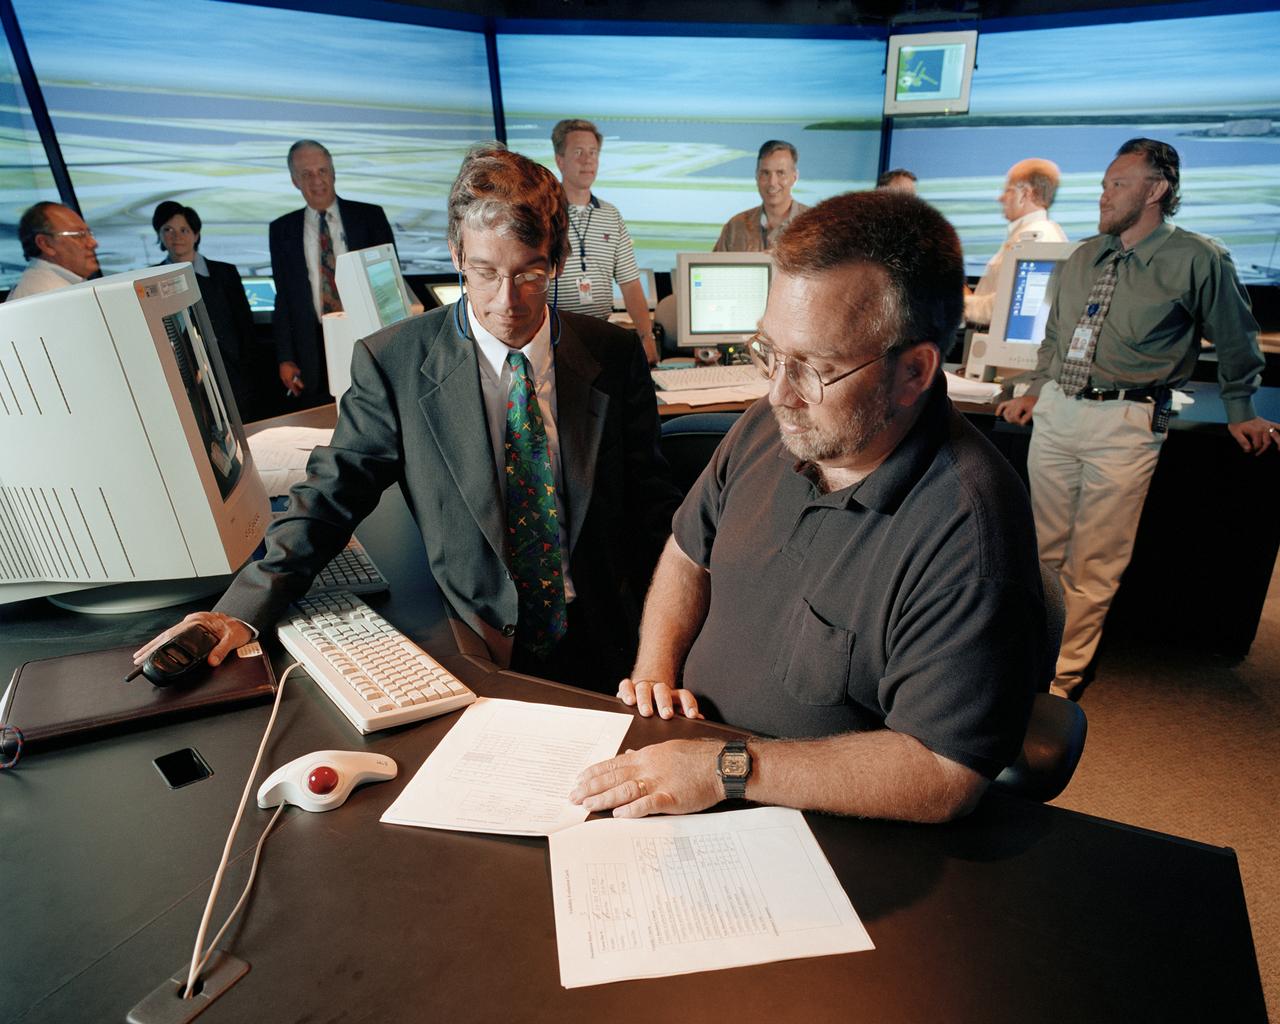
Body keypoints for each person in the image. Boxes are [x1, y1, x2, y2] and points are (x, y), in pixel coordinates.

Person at [571, 190, 1048, 824]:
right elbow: (688, 552)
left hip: (803, 822)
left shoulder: (969, 533)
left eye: (814, 367)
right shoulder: (771, 427)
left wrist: (725, 769)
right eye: (770, 352)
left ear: (914, 372)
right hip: (684, 766)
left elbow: (943, 773)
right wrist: (655, 675)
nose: (778, 393)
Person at [136, 148, 681, 692]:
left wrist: (671, 644)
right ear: (456, 254)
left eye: (530, 274)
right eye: (485, 273)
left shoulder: (613, 355)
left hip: (612, 641)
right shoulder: (395, 362)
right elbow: (331, 493)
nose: (507, 301)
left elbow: (653, 507)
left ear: (556, 260)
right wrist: (239, 609)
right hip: (480, 643)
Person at [996, 138, 1275, 699]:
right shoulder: (1082, 256)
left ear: (1156, 190)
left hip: (1126, 420)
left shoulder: (1198, 258)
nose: (1104, 195)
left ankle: (1059, 681)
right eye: (1104, 184)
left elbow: (1237, 338)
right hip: (1058, 412)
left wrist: (1241, 409)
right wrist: (1036, 389)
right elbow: (1057, 337)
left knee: (1094, 562)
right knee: (1040, 551)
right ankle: (1022, 661)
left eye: (1118, 185)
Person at [269, 140, 395, 406]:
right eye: (306, 174)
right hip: (313, 351)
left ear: (333, 172)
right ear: (294, 181)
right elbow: (284, 299)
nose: (317, 181)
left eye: (322, 171)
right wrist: (285, 357)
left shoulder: (370, 218)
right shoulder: (282, 230)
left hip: (369, 343)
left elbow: (389, 287)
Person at [550, 119, 658, 364]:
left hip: (600, 337)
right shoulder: (544, 212)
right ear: (560, 160)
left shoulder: (611, 215)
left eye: (593, 152)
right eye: (578, 152)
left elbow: (630, 284)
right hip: (553, 340)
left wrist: (646, 336)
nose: (588, 160)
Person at [152, 201, 256, 419]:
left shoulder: (225, 273)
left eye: (184, 230)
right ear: (159, 235)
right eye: (168, 230)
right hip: (183, 376)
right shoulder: (151, 280)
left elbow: (244, 324)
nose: (176, 236)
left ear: (196, 234)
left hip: (230, 371)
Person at [964, 158, 1068, 326]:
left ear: (1025, 194)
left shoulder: (1037, 237)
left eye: (1007, 190)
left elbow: (1008, 306)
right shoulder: (1031, 234)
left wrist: (961, 303)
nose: (1000, 198)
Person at [714, 140, 808, 254]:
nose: (772, 183)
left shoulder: (816, 225)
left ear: (794, 177)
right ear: (757, 176)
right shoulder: (735, 227)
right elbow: (714, 265)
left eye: (780, 173)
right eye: (765, 173)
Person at [6, 202, 99, 301]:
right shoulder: (50, 294)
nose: (93, 243)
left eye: (89, 233)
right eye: (79, 235)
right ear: (46, 244)